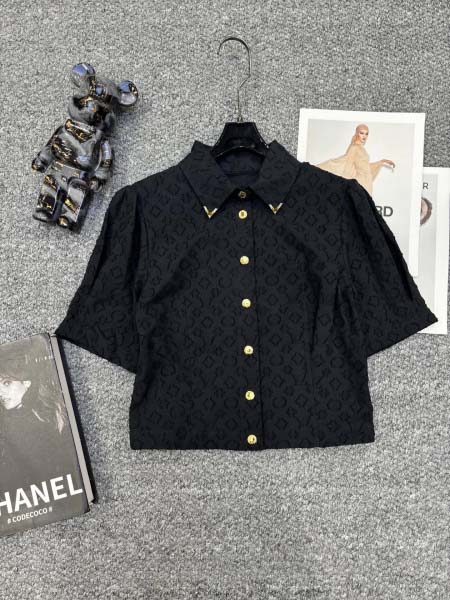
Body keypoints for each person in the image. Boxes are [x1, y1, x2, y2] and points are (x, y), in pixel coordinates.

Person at [0, 336, 74, 494]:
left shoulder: (51, 414)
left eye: (7, 383)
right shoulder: (9, 423)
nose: (0, 393)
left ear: (26, 382)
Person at [316, 123, 395, 195]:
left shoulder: (362, 149)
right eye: (361, 133)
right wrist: (346, 185)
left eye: (366, 134)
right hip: (360, 184)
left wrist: (381, 162)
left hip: (367, 183)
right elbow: (347, 164)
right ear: (357, 133)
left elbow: (365, 167)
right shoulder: (354, 147)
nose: (364, 136)